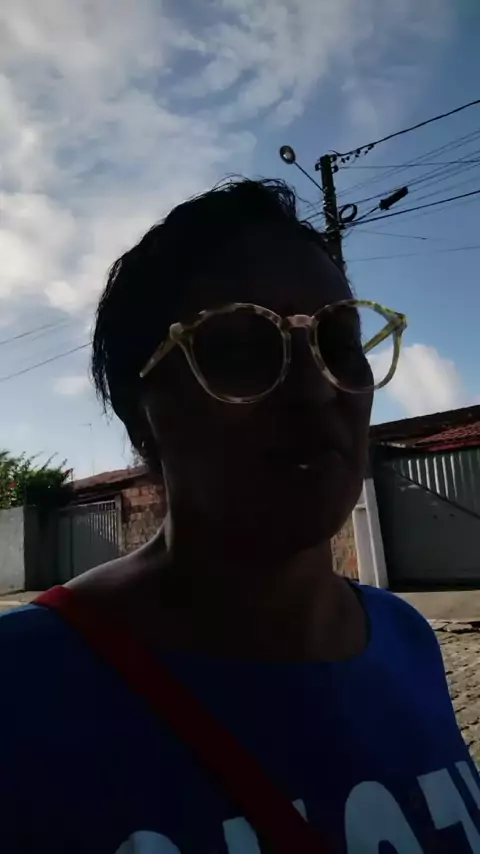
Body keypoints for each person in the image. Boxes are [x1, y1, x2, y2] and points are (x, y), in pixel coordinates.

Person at [1, 179, 479, 854]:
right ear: (142, 415)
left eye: (340, 343)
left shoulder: (406, 641)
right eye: (237, 351)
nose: (315, 389)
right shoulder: (23, 688)